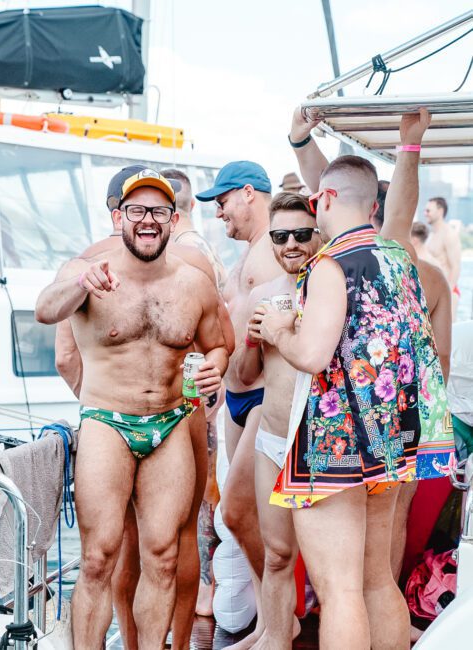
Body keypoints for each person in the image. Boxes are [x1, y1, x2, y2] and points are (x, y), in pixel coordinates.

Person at [254, 109, 455, 649]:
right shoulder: (399, 256)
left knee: (339, 591)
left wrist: (277, 329)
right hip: (394, 441)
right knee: (375, 582)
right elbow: (390, 198)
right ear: (374, 206)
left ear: (321, 202)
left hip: (337, 444)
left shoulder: (328, 265)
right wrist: (408, 145)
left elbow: (314, 354)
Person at [36, 169, 229, 649]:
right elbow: (45, 308)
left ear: (173, 218)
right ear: (119, 216)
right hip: (106, 422)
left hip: (168, 424)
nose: (148, 220)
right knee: (99, 557)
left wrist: (215, 368)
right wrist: (81, 282)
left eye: (158, 211)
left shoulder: (194, 283)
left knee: (163, 555)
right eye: (137, 210)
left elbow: (219, 343)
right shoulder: (86, 271)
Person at [195, 161, 284, 646]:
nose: (219, 214)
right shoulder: (246, 256)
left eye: (223, 202)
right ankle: (272, 621)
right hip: (233, 396)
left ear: (248, 193)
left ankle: (279, 621)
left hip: (264, 395)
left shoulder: (276, 249)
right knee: (242, 511)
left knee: (238, 512)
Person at [236, 192, 322, 649]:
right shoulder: (261, 295)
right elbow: (243, 378)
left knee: (330, 568)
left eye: (301, 234)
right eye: (280, 235)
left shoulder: (332, 292)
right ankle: (276, 639)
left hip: (320, 444)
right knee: (276, 556)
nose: (291, 244)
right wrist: (251, 341)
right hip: (271, 439)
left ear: (318, 233)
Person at [162, 167, 225, 618]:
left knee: (194, 504)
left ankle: (203, 591)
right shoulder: (202, 248)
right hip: (204, 393)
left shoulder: (185, 252)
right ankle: (206, 589)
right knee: (203, 498)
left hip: (189, 398)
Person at [425, 196, 461, 317]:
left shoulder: (449, 234)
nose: (425, 214)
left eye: (428, 211)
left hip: (447, 292)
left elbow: (455, 266)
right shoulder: (431, 235)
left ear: (440, 211)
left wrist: (448, 294)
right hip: (433, 293)